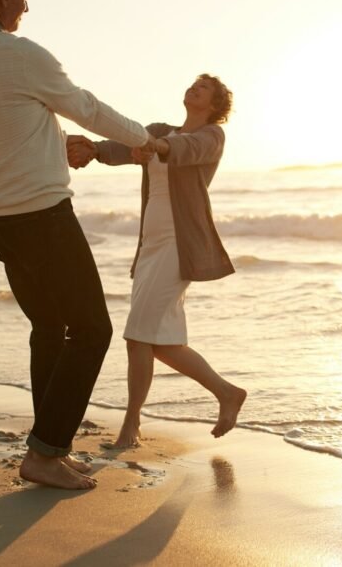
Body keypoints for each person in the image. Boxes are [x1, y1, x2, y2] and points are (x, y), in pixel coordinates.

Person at [0, 0, 155, 490]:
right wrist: (148, 141)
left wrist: (61, 147)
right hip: (43, 216)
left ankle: (48, 448)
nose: (28, 7)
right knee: (92, 329)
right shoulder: (21, 54)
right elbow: (87, 105)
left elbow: (5, 136)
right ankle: (44, 452)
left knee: (49, 328)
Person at [69, 74, 247, 448]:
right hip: (150, 245)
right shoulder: (158, 131)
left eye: (204, 89)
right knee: (154, 341)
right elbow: (123, 147)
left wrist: (152, 146)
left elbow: (183, 150)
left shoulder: (212, 136)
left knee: (138, 336)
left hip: (178, 246)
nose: (194, 89)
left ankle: (130, 427)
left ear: (214, 106)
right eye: (193, 84)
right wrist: (93, 150)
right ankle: (226, 392)